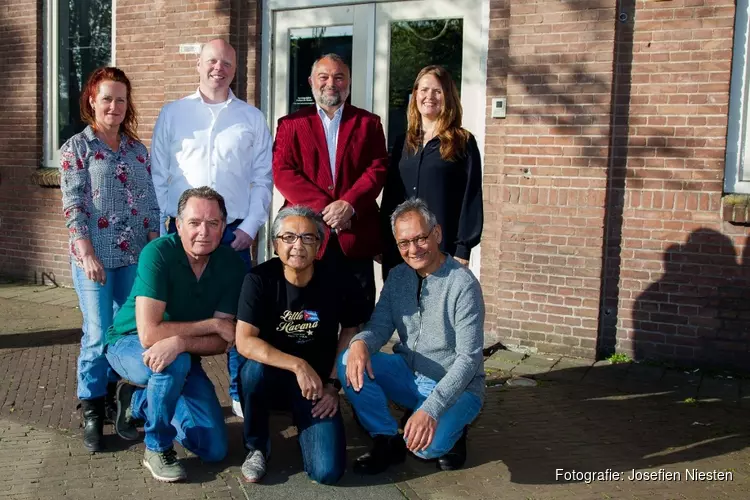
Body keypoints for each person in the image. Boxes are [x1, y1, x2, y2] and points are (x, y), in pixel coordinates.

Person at [151, 38, 273, 418]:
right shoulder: (173, 114)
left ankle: (239, 392)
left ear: (235, 71)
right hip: (182, 233)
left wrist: (251, 227)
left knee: (237, 317)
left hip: (234, 232)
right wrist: (173, 220)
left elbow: (263, 179)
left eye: (226, 63)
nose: (218, 68)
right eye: (211, 61)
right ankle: (186, 386)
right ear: (199, 65)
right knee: (180, 311)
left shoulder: (251, 118)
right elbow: (158, 173)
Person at [104, 187, 246, 483]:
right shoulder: (158, 253)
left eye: (213, 223)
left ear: (224, 227)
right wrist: (206, 326)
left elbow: (223, 340)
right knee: (175, 364)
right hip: (127, 342)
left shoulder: (231, 265)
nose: (203, 232)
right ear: (178, 225)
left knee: (214, 449)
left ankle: (139, 402)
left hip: (180, 352)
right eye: (194, 222)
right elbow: (149, 333)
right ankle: (156, 447)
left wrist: (181, 341)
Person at [338, 198, 485, 474]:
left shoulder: (463, 285)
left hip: (458, 386)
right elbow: (379, 327)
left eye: (420, 238)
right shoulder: (397, 277)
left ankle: (453, 431)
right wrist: (359, 343)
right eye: (404, 243)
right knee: (348, 360)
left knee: (423, 448)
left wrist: (432, 409)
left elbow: (468, 360)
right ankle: (386, 438)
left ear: (437, 234)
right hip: (410, 374)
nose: (413, 249)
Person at [59, 66, 160, 453]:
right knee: (98, 332)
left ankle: (124, 397)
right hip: (94, 259)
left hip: (134, 257)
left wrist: (157, 253)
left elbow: (150, 206)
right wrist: (85, 252)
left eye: (121, 99)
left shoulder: (137, 149)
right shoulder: (77, 149)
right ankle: (91, 405)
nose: (114, 106)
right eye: (107, 98)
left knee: (131, 332)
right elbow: (73, 205)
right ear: (92, 101)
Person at [235, 206, 367, 484]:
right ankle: (256, 446)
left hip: (316, 386)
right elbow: (244, 341)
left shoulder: (338, 280)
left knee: (327, 472)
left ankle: (306, 423)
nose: (298, 245)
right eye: (289, 237)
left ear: (319, 245)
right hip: (271, 378)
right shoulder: (258, 280)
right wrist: (297, 364)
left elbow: (350, 331)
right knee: (252, 370)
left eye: (308, 238)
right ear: (275, 244)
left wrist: (333, 386)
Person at [273, 53, 388, 317]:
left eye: (339, 77)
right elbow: (283, 172)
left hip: (355, 236)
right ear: (311, 81)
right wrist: (329, 210)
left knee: (357, 317)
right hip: (306, 235)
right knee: (306, 317)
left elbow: (378, 168)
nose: (331, 83)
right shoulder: (291, 124)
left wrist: (350, 204)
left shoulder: (369, 123)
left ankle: (351, 359)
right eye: (323, 77)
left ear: (348, 82)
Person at [380, 65, 483, 279]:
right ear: (415, 94)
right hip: (401, 249)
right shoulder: (403, 142)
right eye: (424, 90)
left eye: (437, 91)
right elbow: (391, 195)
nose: (429, 96)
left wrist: (463, 249)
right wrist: (382, 240)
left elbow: (471, 198)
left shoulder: (462, 142)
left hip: (440, 250)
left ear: (448, 96)